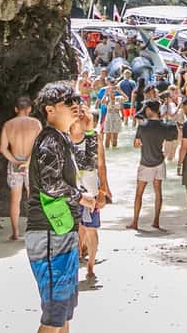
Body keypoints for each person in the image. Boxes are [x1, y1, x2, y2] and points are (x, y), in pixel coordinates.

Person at [25, 82, 94, 333]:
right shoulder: (50, 140)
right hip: (48, 234)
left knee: (63, 311)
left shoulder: (61, 139)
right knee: (54, 314)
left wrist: (86, 130)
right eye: (68, 103)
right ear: (50, 109)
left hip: (59, 231)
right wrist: (81, 197)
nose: (76, 106)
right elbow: (50, 184)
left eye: (77, 101)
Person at [70, 104, 111, 278]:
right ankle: (78, 257)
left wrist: (104, 191)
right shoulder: (63, 136)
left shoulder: (93, 137)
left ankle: (91, 265)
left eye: (82, 114)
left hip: (91, 190)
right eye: (77, 114)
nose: (79, 117)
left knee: (91, 229)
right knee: (76, 229)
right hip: (70, 191)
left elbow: (101, 165)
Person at [126, 99, 178, 231]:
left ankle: (135, 222)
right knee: (158, 192)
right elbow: (172, 137)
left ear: (149, 110)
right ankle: (156, 221)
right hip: (159, 162)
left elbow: (136, 144)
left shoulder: (142, 126)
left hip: (145, 162)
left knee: (139, 194)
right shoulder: (164, 126)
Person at [0, 95, 43, 240]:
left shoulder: (8, 124)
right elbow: (39, 147)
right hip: (32, 164)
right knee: (33, 197)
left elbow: (3, 149)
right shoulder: (36, 124)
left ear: (16, 109)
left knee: (15, 199)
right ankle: (33, 230)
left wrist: (15, 161)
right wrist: (29, 161)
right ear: (30, 108)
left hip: (15, 162)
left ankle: (15, 232)